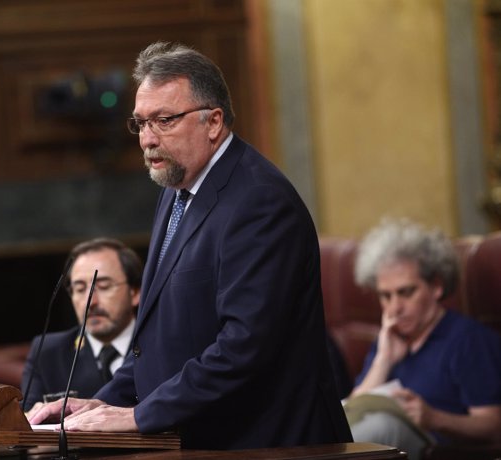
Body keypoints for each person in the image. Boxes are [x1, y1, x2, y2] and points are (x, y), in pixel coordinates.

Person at [26, 41, 352, 450]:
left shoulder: (260, 203)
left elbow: (244, 348)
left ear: (213, 122)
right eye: (140, 123)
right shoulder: (178, 187)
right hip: (205, 438)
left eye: (164, 120)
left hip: (272, 444)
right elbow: (163, 340)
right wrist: (97, 405)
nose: (147, 139)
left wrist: (139, 416)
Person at [347, 217, 501, 460]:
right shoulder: (388, 340)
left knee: (381, 428)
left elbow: (494, 426)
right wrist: (383, 360)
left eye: (405, 292)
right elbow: (352, 413)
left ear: (436, 286)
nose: (394, 308)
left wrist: (434, 418)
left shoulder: (467, 339)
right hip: (383, 444)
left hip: (439, 450)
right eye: (385, 296)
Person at [21, 237, 142, 409]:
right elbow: (26, 422)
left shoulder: (159, 346)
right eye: (79, 289)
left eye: (104, 286)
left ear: (136, 292)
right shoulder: (48, 352)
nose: (90, 302)